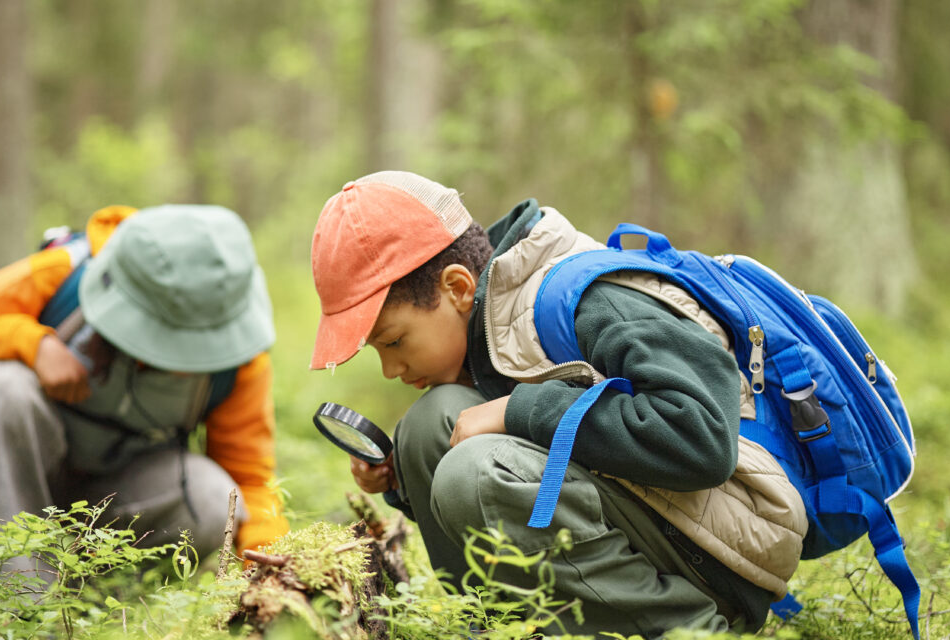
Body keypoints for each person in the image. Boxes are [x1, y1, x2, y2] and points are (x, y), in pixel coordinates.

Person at [307, 171, 807, 637]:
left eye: (394, 341)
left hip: (717, 554)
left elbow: (703, 438)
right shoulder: (489, 326)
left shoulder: (586, 299)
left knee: (472, 471)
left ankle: (688, 628)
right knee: (430, 426)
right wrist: (401, 482)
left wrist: (516, 411)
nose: (390, 369)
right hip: (647, 523)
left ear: (457, 288)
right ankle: (498, 628)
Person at [0, 204, 288, 583]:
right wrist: (32, 344)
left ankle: (94, 600)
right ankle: (18, 596)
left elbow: (251, 479)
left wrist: (269, 569)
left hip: (130, 495)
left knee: (215, 499)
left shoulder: (239, 357)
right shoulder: (65, 273)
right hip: (29, 473)